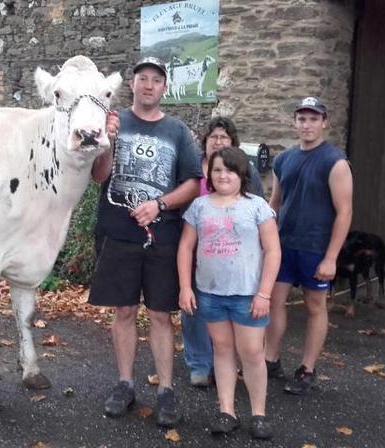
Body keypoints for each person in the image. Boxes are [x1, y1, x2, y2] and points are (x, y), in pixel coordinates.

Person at [88, 57, 203, 427]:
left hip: (162, 235)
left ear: (164, 88)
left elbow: (193, 182)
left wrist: (160, 204)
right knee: (123, 311)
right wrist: (108, 141)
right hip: (118, 233)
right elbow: (99, 177)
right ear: (133, 85)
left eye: (156, 80)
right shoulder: (114, 122)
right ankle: (125, 384)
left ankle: (166, 391)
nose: (149, 85)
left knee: (159, 314)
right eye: (142, 79)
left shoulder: (177, 131)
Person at [178, 148, 280, 439]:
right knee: (221, 351)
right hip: (211, 294)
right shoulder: (199, 206)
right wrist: (186, 287)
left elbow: (273, 251)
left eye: (230, 170)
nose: (223, 175)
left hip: (248, 296)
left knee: (251, 353)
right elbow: (186, 247)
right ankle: (227, 411)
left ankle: (258, 414)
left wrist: (264, 293)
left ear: (242, 174)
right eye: (218, 169)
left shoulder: (257, 206)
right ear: (210, 173)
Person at [264, 96, 353, 395]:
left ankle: (307, 370)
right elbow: (274, 203)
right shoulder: (283, 159)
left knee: (315, 306)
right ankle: (269, 360)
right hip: (284, 245)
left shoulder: (335, 162)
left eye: (313, 118)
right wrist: (265, 239)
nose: (307, 124)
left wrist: (331, 258)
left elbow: (344, 213)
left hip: (315, 247)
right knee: (274, 301)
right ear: (295, 122)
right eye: (302, 118)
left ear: (324, 122)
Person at [183, 116, 265, 387]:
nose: (218, 141)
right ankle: (199, 363)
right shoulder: (193, 168)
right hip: (198, 244)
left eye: (224, 138)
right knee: (194, 307)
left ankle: (228, 364)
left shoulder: (244, 171)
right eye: (213, 137)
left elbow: (258, 209)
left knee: (234, 314)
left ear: (233, 143)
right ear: (205, 141)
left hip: (234, 254)